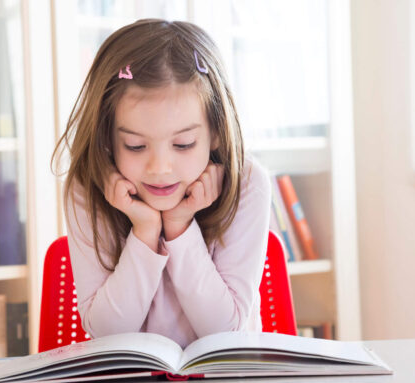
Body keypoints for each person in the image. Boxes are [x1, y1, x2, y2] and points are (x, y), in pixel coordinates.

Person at [52, 19, 271, 348]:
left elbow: (224, 330)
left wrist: (179, 227)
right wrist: (145, 231)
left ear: (215, 132)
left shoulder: (249, 183)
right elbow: (107, 333)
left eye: (183, 144)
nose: (160, 169)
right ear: (108, 138)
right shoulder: (87, 189)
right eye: (136, 146)